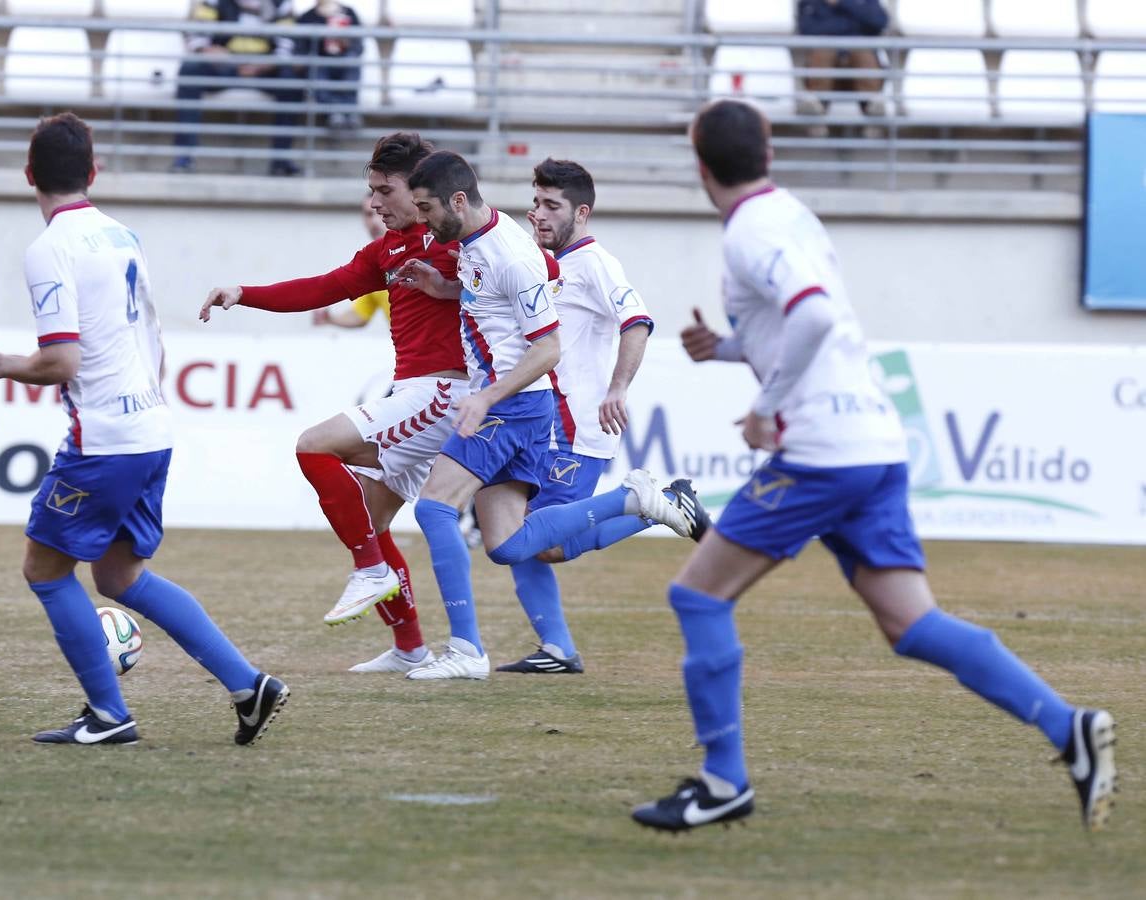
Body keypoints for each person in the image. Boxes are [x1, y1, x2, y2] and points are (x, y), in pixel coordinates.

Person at [629, 99, 1117, 833]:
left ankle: (722, 781)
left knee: (700, 597)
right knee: (910, 621)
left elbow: (817, 315)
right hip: (873, 446)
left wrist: (767, 404)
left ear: (699, 165)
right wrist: (728, 349)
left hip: (823, 453)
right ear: (768, 152)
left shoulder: (750, 231)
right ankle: (1068, 727)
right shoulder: (788, 214)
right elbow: (803, 317)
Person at [0, 113, 288, 747]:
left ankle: (110, 715)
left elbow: (62, 361)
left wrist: (2, 365)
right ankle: (249, 686)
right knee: (118, 578)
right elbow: (153, 340)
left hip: (105, 440)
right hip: (150, 426)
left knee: (45, 569)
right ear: (94, 171)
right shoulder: (123, 236)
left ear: (29, 175)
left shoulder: (49, 249)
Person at [397, 158, 711, 676]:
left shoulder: (595, 263)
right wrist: (446, 289)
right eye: (536, 202)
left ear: (580, 213)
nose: (537, 214)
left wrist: (617, 388)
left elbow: (637, 322)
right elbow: (505, 303)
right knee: (518, 542)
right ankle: (558, 647)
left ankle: (651, 504)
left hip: (577, 426)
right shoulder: (536, 260)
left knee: (549, 545)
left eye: (551, 206)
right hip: (543, 416)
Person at [199, 133, 467, 675]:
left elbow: (522, 285)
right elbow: (323, 288)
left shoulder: (458, 239)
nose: (373, 203)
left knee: (313, 446)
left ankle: (371, 571)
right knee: (368, 518)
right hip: (412, 393)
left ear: (418, 188)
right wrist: (243, 293)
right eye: (370, 191)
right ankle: (411, 647)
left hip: (442, 391)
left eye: (382, 191)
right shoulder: (386, 250)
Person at [170, 0, 301, 176]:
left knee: (291, 83)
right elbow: (195, 31)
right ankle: (184, 158)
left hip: (265, 66)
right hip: (224, 64)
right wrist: (206, 50)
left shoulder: (281, 3)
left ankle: (281, 161)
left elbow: (289, 39)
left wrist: (267, 63)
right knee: (190, 71)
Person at [796, 0, 889, 121]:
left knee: (861, 50)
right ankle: (816, 108)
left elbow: (879, 22)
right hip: (825, 73)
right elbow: (806, 29)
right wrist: (854, 25)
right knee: (824, 50)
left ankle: (872, 106)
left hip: (859, 72)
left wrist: (842, 3)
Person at [312, 200, 391, 330]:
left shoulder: (419, 250)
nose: (375, 222)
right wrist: (330, 318)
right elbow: (360, 315)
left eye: (381, 213)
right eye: (369, 214)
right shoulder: (373, 265)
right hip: (407, 348)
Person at [295, 0, 365, 130]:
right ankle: (337, 112)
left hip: (344, 64)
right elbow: (301, 50)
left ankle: (348, 112)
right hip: (321, 66)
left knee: (351, 62)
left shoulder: (349, 13)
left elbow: (359, 46)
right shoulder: (306, 17)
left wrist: (346, 41)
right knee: (316, 65)